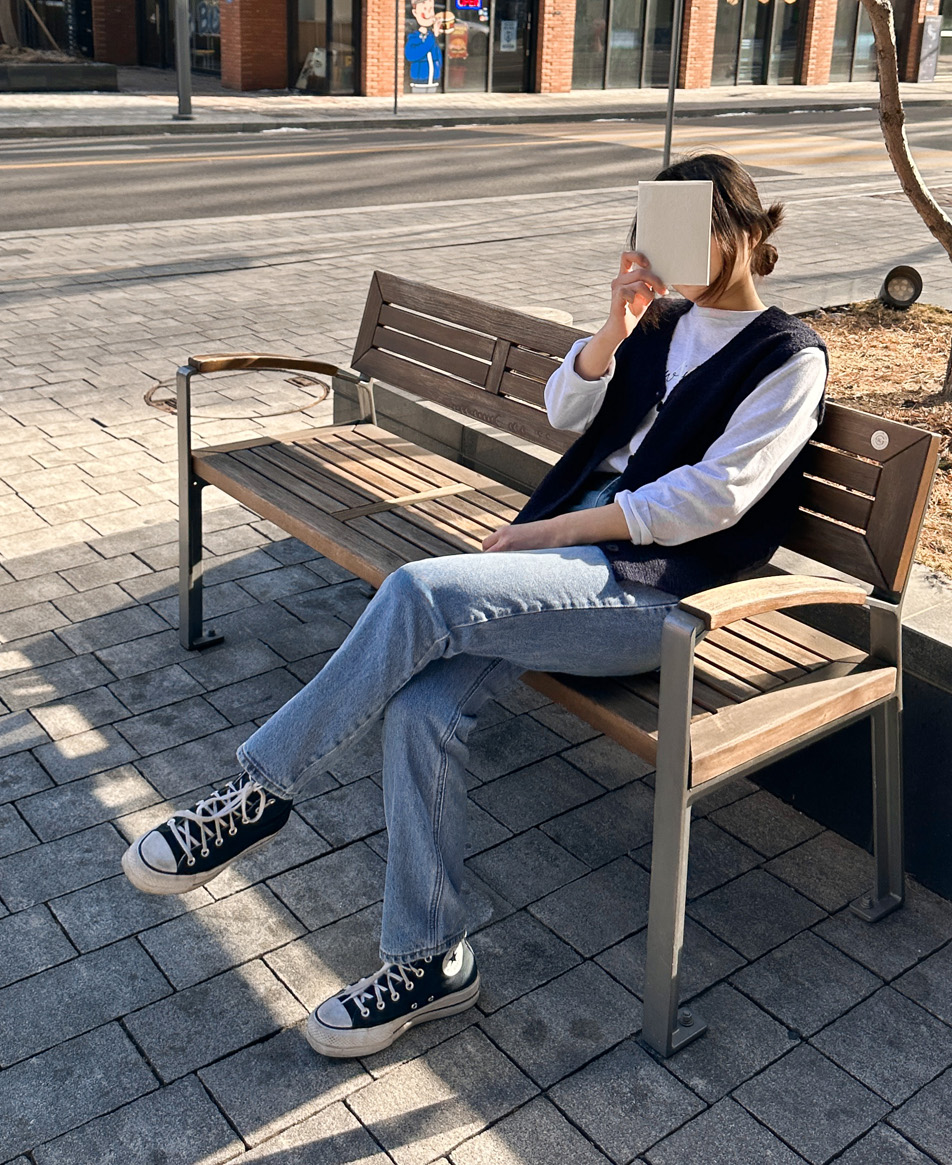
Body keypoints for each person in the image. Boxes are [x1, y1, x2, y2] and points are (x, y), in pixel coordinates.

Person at [121, 152, 828, 1060]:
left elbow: (711, 499)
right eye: (658, 229)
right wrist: (614, 328)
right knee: (421, 709)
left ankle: (260, 789)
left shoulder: (787, 356)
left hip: (653, 596)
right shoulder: (663, 323)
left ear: (745, 231)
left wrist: (550, 530)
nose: (671, 251)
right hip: (567, 572)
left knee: (421, 588)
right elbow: (565, 408)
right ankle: (431, 960)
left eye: (693, 229)